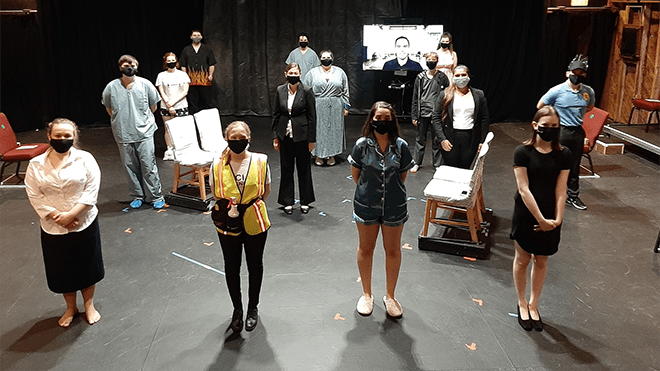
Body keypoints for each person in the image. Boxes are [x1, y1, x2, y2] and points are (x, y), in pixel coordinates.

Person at [25, 118, 104, 328]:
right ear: (49, 136)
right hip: (53, 226)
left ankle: (89, 305)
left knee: (87, 266)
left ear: (74, 137)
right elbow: (34, 195)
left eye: (67, 136)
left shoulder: (85, 159)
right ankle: (70, 307)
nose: (63, 139)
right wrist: (56, 216)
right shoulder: (35, 164)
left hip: (84, 222)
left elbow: (91, 190)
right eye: (58, 135)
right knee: (62, 270)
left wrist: (71, 215)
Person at [348, 101, 414, 318]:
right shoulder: (361, 146)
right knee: (365, 249)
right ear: (371, 120)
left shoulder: (401, 146)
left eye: (387, 119)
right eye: (378, 119)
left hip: (394, 205)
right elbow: (357, 176)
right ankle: (366, 294)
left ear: (392, 121)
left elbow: (402, 177)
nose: (382, 123)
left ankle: (390, 296)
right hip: (366, 204)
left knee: (393, 250)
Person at [510, 106, 571, 332]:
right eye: (547, 127)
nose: (551, 130)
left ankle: (534, 304)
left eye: (555, 127)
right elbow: (524, 189)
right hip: (527, 213)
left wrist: (557, 219)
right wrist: (541, 219)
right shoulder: (522, 152)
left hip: (551, 215)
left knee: (542, 261)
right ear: (535, 126)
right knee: (523, 258)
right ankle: (522, 302)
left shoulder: (564, 154)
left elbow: (561, 189)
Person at [209, 121, 271, 333]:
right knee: (231, 266)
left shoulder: (261, 161)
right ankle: (237, 309)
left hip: (255, 219)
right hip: (228, 222)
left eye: (241, 137)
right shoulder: (216, 165)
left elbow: (266, 190)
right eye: (233, 139)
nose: (238, 141)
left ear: (249, 138)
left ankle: (253, 308)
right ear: (227, 139)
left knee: (255, 265)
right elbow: (216, 193)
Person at [102, 54, 165, 209]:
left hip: (144, 132)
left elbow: (153, 107)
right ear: (120, 67)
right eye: (125, 64)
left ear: (137, 66)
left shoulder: (146, 84)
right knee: (129, 166)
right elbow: (109, 109)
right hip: (123, 133)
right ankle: (137, 195)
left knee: (148, 164)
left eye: (131, 63)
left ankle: (155, 196)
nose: (128, 66)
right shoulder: (111, 87)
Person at [537, 54, 594, 210]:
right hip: (560, 131)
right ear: (567, 73)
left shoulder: (588, 92)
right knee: (553, 163)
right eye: (574, 73)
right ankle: (548, 195)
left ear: (584, 75)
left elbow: (589, 107)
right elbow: (540, 105)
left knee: (574, 166)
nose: (577, 76)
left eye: (580, 73)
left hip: (577, 132)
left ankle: (573, 197)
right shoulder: (557, 90)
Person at [272, 63, 317, 215]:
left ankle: (305, 201)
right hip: (285, 135)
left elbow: (312, 117)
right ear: (286, 74)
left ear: (300, 74)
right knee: (286, 168)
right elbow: (276, 114)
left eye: (295, 72)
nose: (293, 74)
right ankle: (287, 201)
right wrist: (276, 137)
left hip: (302, 136)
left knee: (304, 169)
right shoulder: (280, 90)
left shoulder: (307, 91)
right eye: (290, 72)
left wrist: (312, 140)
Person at [432, 65, 490, 169]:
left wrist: (482, 141)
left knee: (465, 169)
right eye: (457, 75)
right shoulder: (444, 94)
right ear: (453, 77)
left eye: (463, 75)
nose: (460, 78)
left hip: (470, 138)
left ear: (469, 76)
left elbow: (484, 119)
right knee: (451, 169)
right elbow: (436, 117)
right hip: (450, 138)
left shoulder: (478, 95)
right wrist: (442, 139)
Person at [303, 50, 350, 166]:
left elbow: (345, 90)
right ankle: (318, 155)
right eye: (324, 57)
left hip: (336, 105)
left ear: (332, 58)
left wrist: (346, 106)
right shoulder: (312, 73)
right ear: (320, 59)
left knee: (334, 130)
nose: (326, 59)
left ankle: (332, 155)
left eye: (328, 57)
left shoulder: (340, 72)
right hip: (318, 105)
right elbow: (305, 90)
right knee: (319, 130)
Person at [410, 52, 450, 172]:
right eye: (429, 59)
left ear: (437, 61)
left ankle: (437, 164)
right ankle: (417, 162)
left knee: (437, 139)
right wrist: (414, 115)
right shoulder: (420, 77)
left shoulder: (442, 77)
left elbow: (447, 95)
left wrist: (444, 112)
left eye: (433, 59)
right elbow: (415, 97)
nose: (431, 61)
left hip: (436, 113)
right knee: (420, 139)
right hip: (422, 112)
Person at [155, 52, 190, 161]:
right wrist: (168, 104)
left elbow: (185, 91)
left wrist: (173, 103)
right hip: (166, 107)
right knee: (168, 129)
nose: (171, 62)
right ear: (165, 62)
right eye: (168, 61)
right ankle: (169, 149)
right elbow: (161, 91)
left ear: (176, 61)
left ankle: (181, 149)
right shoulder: (161, 75)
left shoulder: (183, 75)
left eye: (172, 60)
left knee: (181, 129)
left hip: (181, 105)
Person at [179, 29, 217, 114]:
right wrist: (185, 77)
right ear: (191, 37)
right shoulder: (186, 50)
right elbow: (183, 65)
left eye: (198, 35)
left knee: (207, 101)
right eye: (195, 35)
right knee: (193, 102)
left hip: (204, 79)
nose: (196, 37)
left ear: (201, 37)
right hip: (191, 80)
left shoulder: (207, 49)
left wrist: (211, 75)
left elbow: (212, 64)